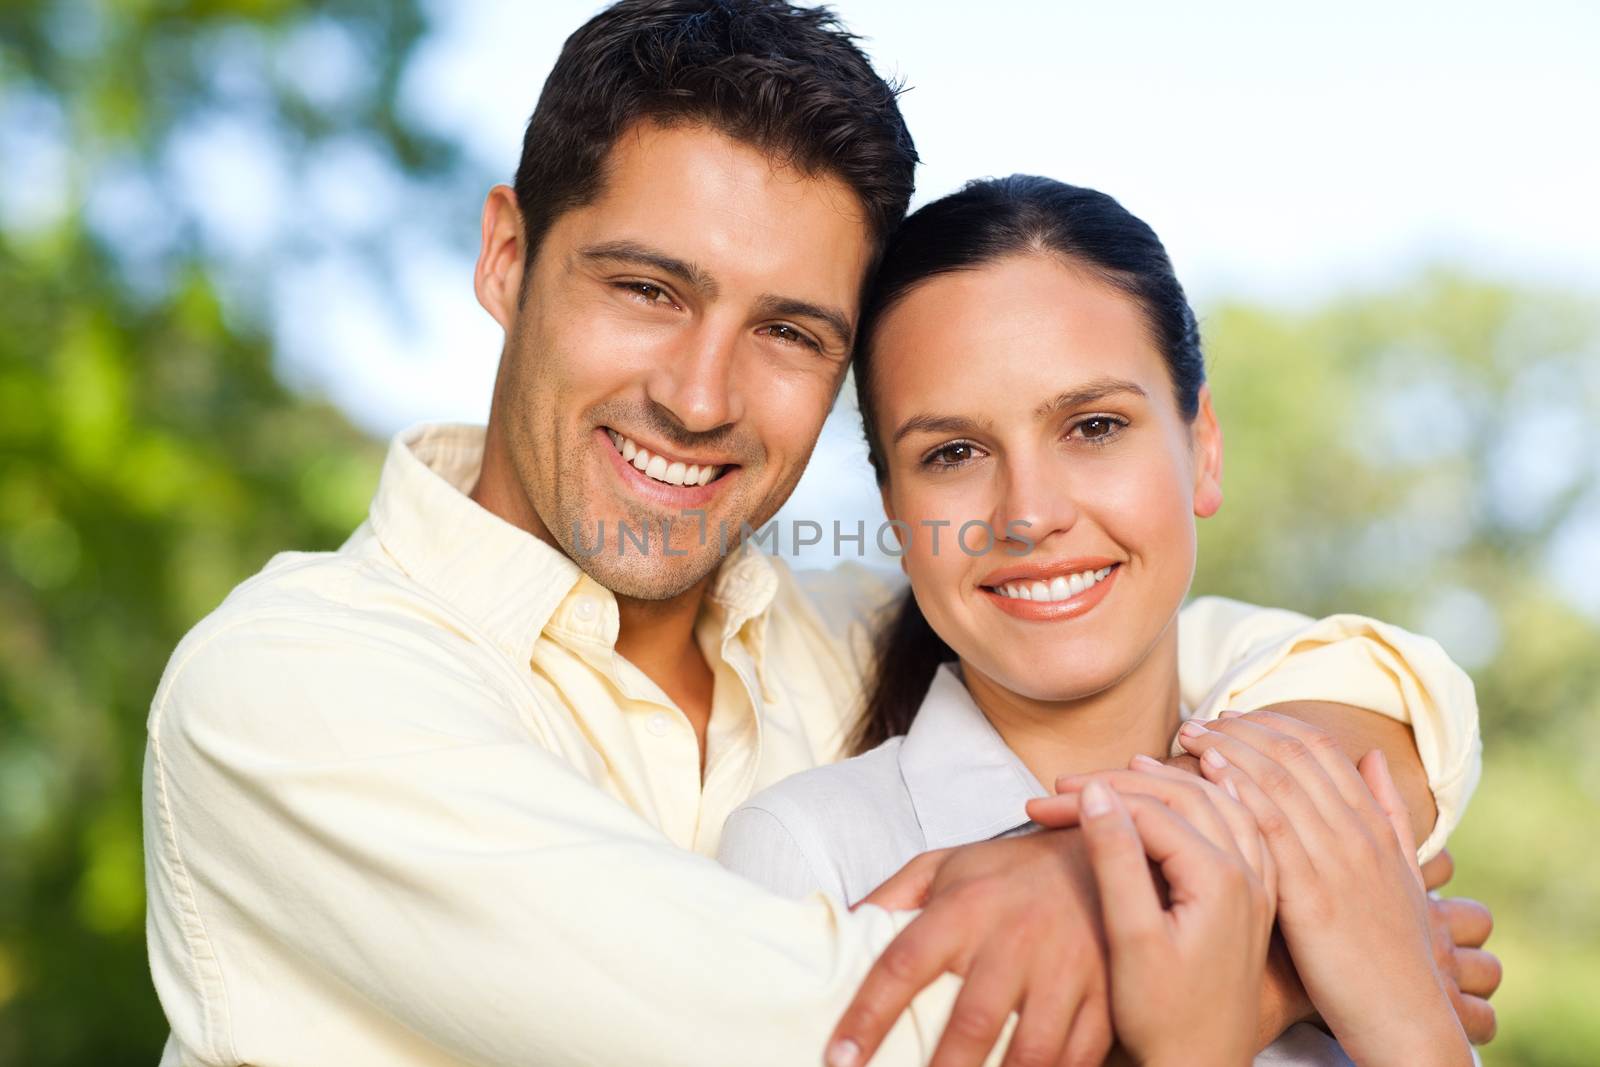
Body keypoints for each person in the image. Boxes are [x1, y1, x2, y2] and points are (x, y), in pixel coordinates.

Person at [142, 4, 1494, 1065]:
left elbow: (1352, 672)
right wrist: (1313, 936)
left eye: (789, 331)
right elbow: (839, 1033)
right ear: (507, 257)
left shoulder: (853, 638)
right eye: (648, 287)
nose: (699, 393)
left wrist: (1104, 853)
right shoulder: (290, 685)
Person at [717, 176, 1486, 1063]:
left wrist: (1404, 1017)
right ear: (896, 515)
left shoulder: (1332, 811)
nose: (1030, 513)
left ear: (1202, 450)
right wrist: (1264, 992)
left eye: (1092, 425)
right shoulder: (806, 859)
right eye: (954, 452)